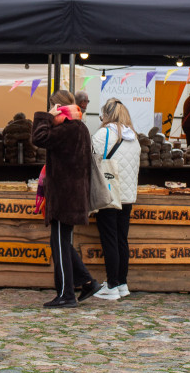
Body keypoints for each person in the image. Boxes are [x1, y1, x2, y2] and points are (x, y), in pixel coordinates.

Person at [32, 90, 101, 308]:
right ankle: (87, 282)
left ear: (57, 106)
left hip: (65, 196)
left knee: (60, 244)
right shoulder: (78, 126)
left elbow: (39, 138)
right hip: (71, 195)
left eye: (52, 106)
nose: (52, 110)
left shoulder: (68, 127)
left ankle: (66, 294)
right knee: (61, 243)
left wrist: (44, 116)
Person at [91, 98, 140, 300]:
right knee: (122, 239)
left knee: (109, 238)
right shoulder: (134, 137)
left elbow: (91, 159)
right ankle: (122, 283)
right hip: (128, 195)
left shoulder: (103, 134)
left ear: (107, 115)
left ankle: (111, 286)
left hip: (109, 193)